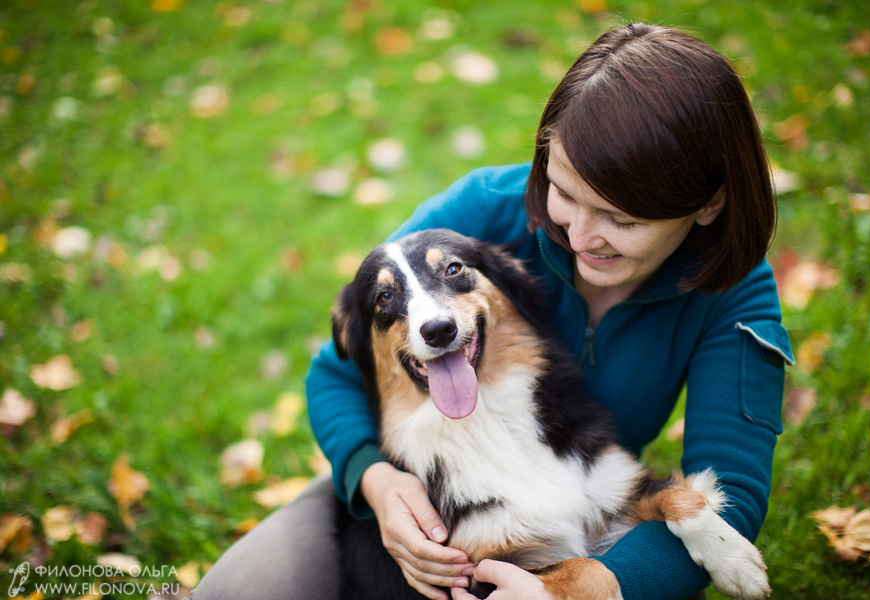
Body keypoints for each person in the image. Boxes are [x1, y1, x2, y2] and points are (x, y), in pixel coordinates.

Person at [194, 22, 793, 600]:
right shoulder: (481, 213)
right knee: (235, 592)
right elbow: (337, 371)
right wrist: (377, 483)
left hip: (579, 494)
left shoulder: (734, 294)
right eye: (565, 192)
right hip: (411, 481)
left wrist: (597, 587)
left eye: (623, 219)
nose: (581, 236)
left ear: (709, 204)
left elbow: (732, 494)